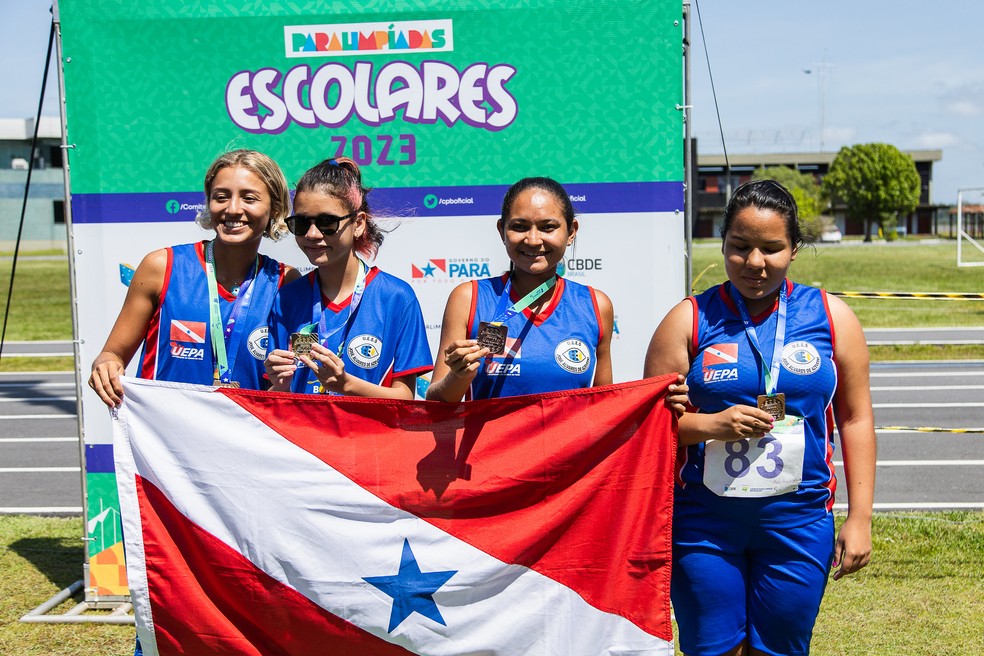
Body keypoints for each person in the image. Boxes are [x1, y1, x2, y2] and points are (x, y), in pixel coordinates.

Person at [644, 179, 875, 656]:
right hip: (704, 523)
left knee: (781, 650)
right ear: (723, 244)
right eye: (740, 247)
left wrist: (861, 517)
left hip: (798, 520)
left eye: (772, 248)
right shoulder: (687, 320)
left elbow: (855, 420)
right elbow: (648, 430)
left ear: (794, 249)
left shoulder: (832, 317)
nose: (754, 263)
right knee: (713, 649)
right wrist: (712, 425)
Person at [88, 149, 299, 407]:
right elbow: (112, 354)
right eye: (221, 197)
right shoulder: (161, 266)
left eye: (249, 198)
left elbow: (285, 380)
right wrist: (106, 364)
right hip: (166, 436)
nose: (233, 209)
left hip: (246, 438)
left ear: (274, 208)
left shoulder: (285, 281)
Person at [427, 176, 621, 402]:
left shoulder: (596, 305)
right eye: (519, 227)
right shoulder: (469, 298)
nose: (532, 239)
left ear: (571, 232)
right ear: (502, 231)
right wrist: (459, 377)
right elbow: (434, 403)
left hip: (570, 440)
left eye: (548, 227)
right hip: (489, 439)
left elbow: (606, 406)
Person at [264, 157, 432, 398]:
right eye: (301, 223)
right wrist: (279, 385)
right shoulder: (287, 297)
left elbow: (404, 397)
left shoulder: (396, 297)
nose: (312, 234)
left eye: (327, 222)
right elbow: (278, 396)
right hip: (302, 435)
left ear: (359, 223)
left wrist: (346, 385)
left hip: (369, 435)